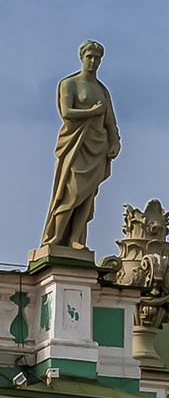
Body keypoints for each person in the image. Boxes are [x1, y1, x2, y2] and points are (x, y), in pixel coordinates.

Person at [36, 41, 117, 266]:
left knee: (87, 196)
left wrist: (114, 141)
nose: (92, 61)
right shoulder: (69, 83)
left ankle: (74, 239)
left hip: (97, 147)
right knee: (70, 191)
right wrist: (91, 112)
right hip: (75, 145)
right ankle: (56, 238)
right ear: (82, 58)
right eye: (89, 57)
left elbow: (110, 121)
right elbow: (66, 112)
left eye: (97, 58)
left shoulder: (102, 90)